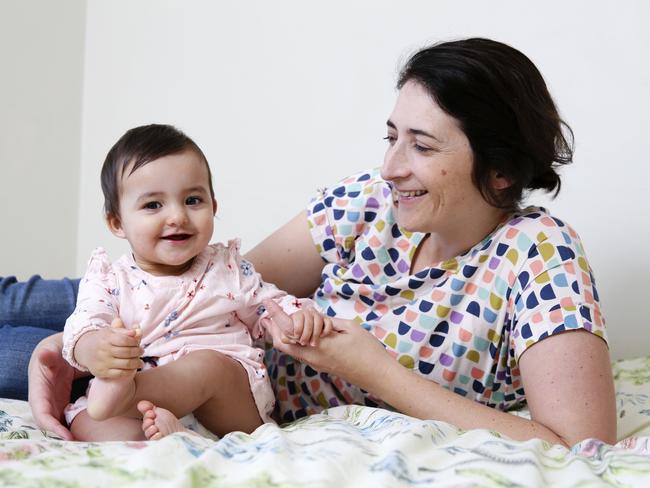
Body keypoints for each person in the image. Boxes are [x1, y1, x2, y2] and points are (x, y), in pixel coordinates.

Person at [4, 37, 615, 446]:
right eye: (391, 136)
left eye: (422, 146)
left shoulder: (537, 255)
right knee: (18, 303)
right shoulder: (366, 202)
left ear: (501, 170)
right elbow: (216, 285)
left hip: (211, 378)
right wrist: (73, 341)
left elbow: (581, 445)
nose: (391, 167)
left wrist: (374, 370)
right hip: (158, 305)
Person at [56, 124, 333, 441]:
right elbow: (85, 323)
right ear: (117, 222)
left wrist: (298, 316)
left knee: (205, 366)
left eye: (192, 200)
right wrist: (96, 349)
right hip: (145, 407)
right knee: (87, 423)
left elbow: (268, 304)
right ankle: (161, 444)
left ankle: (125, 396)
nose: (177, 216)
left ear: (213, 207)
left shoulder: (226, 269)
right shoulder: (108, 278)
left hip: (226, 407)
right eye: (153, 205)